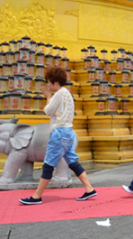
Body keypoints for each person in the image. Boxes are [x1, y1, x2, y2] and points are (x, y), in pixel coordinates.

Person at [20, 67, 97, 205]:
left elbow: (48, 111)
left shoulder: (58, 95)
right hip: (69, 132)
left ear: (55, 82)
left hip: (59, 133)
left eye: (49, 82)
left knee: (48, 164)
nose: (48, 85)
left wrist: (48, 97)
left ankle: (37, 196)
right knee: (72, 161)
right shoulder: (67, 94)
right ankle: (89, 188)